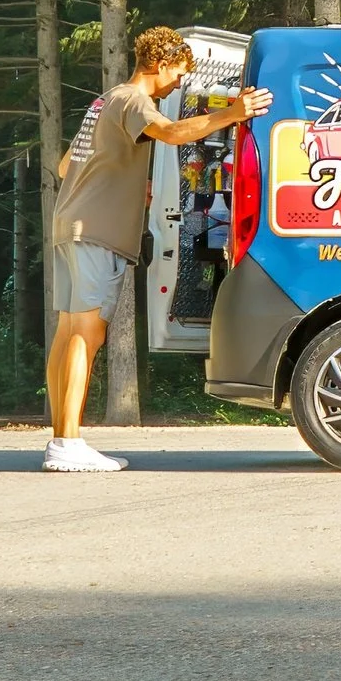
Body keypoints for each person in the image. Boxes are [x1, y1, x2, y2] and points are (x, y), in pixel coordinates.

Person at [44, 29, 268, 475]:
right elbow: (170, 133)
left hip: (71, 224)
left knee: (70, 331)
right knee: (88, 334)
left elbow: (67, 164)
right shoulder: (134, 100)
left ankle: (61, 437)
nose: (174, 87)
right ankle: (67, 443)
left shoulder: (105, 101)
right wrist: (234, 113)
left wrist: (125, 182)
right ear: (160, 64)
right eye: (177, 76)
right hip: (98, 229)